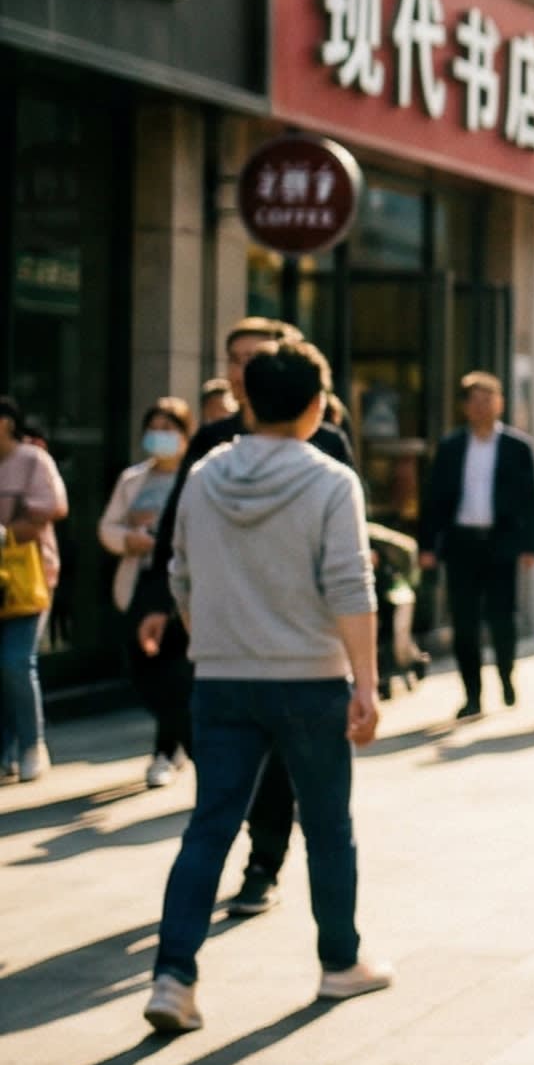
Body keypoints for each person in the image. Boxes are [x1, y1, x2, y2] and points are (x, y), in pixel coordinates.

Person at [143, 338, 393, 1034]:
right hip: (309, 681)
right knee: (328, 828)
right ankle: (340, 962)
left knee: (208, 828)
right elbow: (351, 585)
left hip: (220, 680)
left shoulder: (205, 474)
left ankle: (173, 976)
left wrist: (215, 639)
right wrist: (366, 684)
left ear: (247, 399)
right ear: (316, 406)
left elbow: (180, 573)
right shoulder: (329, 480)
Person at [135, 318, 358, 920]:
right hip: (255, 657)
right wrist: (168, 608)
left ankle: (259, 870)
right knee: (319, 822)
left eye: (253, 358)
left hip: (275, 658)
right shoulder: (209, 447)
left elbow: (345, 570)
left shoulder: (329, 450)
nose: (241, 368)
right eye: (234, 357)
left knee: (225, 813)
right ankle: (338, 955)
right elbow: (175, 551)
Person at [416, 371, 534, 720]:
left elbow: (531, 499)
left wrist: (531, 545)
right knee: (465, 622)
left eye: (488, 399)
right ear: (465, 407)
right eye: (474, 400)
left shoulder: (518, 447)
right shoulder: (451, 446)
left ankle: (505, 674)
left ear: (500, 403)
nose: (482, 406)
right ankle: (472, 693)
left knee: (502, 618)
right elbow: (434, 499)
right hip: (462, 545)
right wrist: (427, 545)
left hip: (501, 544)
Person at [100, 398, 196, 787]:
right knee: (143, 668)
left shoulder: (196, 477)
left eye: (169, 428)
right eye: (154, 428)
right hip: (139, 581)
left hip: (180, 583)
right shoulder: (132, 479)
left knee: (175, 669)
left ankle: (167, 749)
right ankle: (178, 740)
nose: (160, 436)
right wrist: (131, 539)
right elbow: (108, 526)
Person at [0, 395, 70, 784]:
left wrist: (6, 532)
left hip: (29, 577)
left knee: (15, 662)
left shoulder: (32, 460)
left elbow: (53, 509)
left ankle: (32, 744)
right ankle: (4, 751)